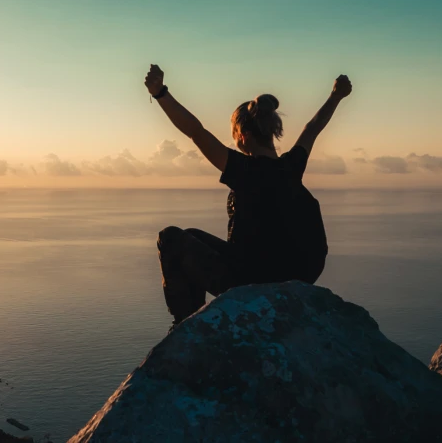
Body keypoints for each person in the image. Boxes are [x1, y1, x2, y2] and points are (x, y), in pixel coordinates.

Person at [144, 64, 352, 327]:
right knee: (193, 234)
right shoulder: (291, 166)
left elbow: (196, 131)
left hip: (251, 280)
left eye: (234, 136)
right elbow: (313, 127)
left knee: (170, 238)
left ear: (242, 136)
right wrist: (336, 95)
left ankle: (185, 324)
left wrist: (160, 93)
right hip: (296, 275)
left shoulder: (243, 169)